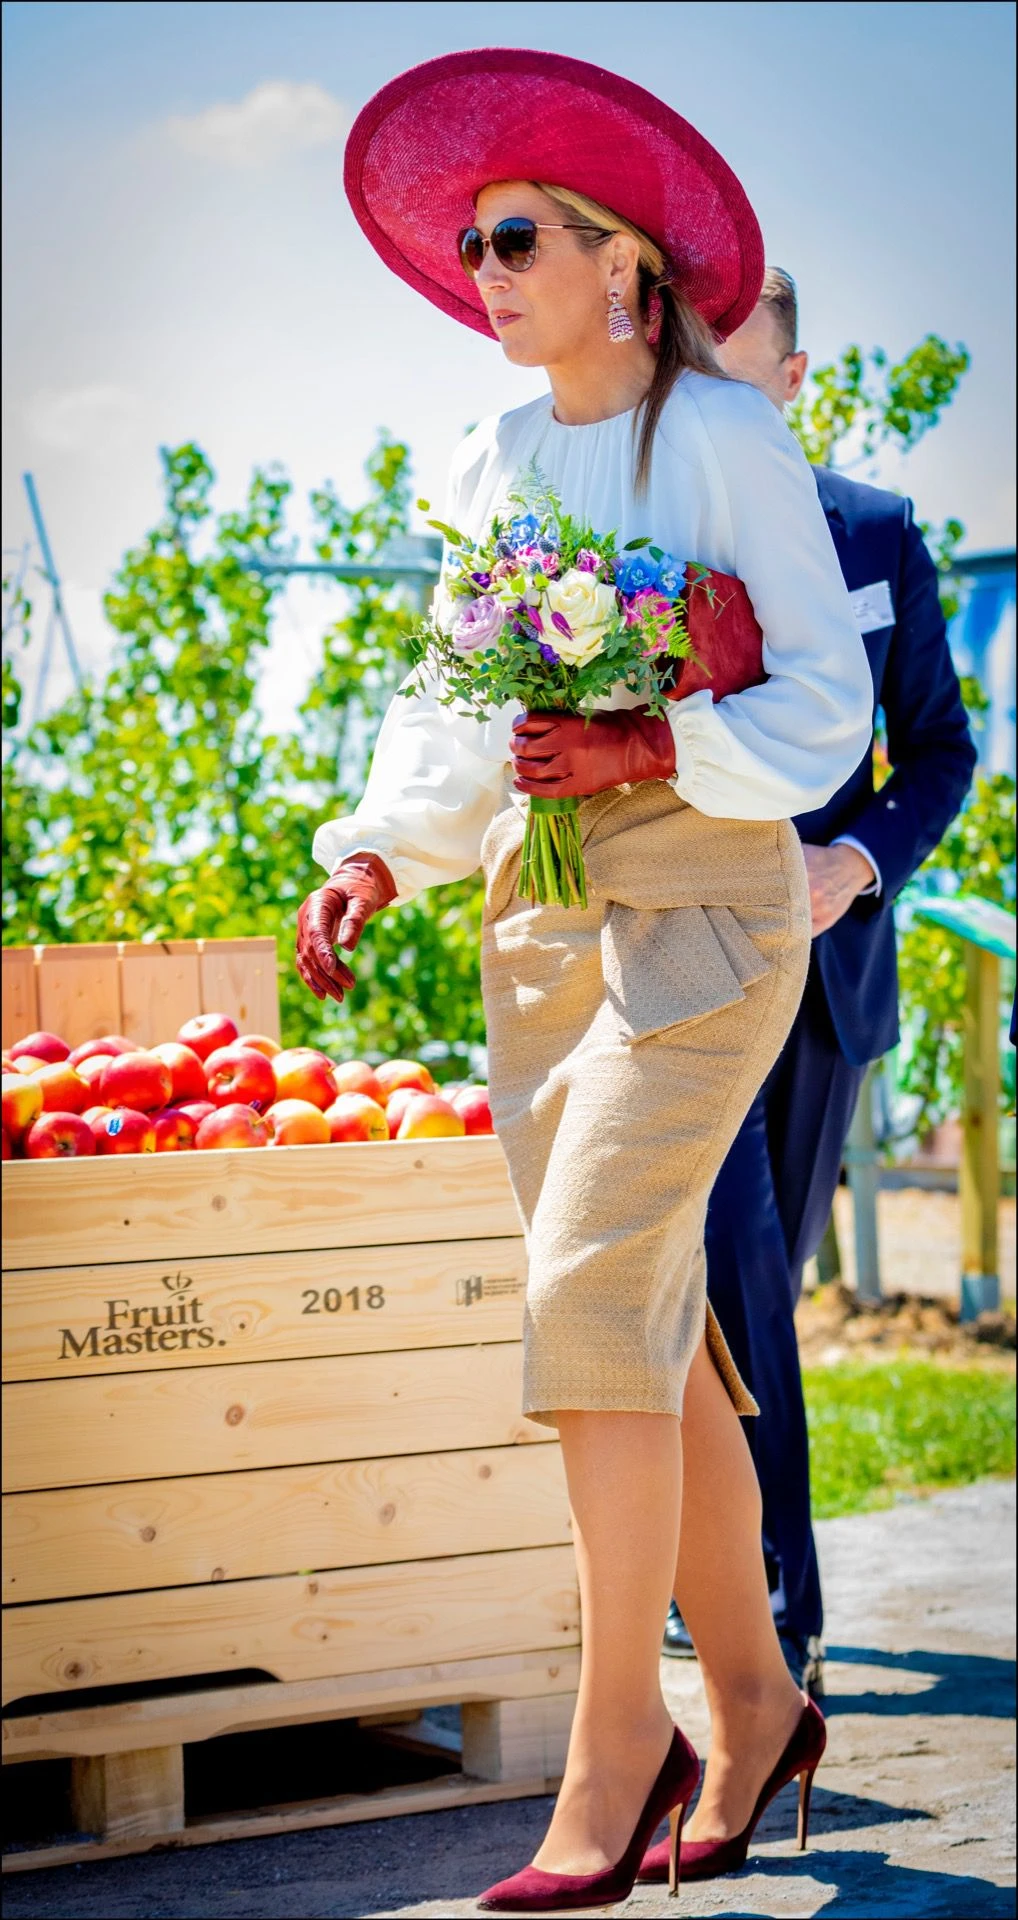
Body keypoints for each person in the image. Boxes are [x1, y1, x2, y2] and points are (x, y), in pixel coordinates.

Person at [297, 52, 872, 1908]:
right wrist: (375, 850)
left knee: (584, 1296)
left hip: (705, 904)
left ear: (623, 262)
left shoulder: (726, 439)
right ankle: (760, 1701)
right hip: (540, 924)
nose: (483, 270)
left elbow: (826, 703)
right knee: (641, 1326)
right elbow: (449, 701)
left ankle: (618, 1740)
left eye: (516, 238)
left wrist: (652, 746)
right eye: (473, 244)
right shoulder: (487, 455)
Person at [661, 269, 977, 1692]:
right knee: (731, 1268)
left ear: (792, 383)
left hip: (825, 962)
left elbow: (941, 750)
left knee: (762, 1284)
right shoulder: (652, 545)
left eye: (741, 375)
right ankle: (774, 1609)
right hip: (683, 954)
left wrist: (855, 862)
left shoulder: (874, 531)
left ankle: (737, 1585)